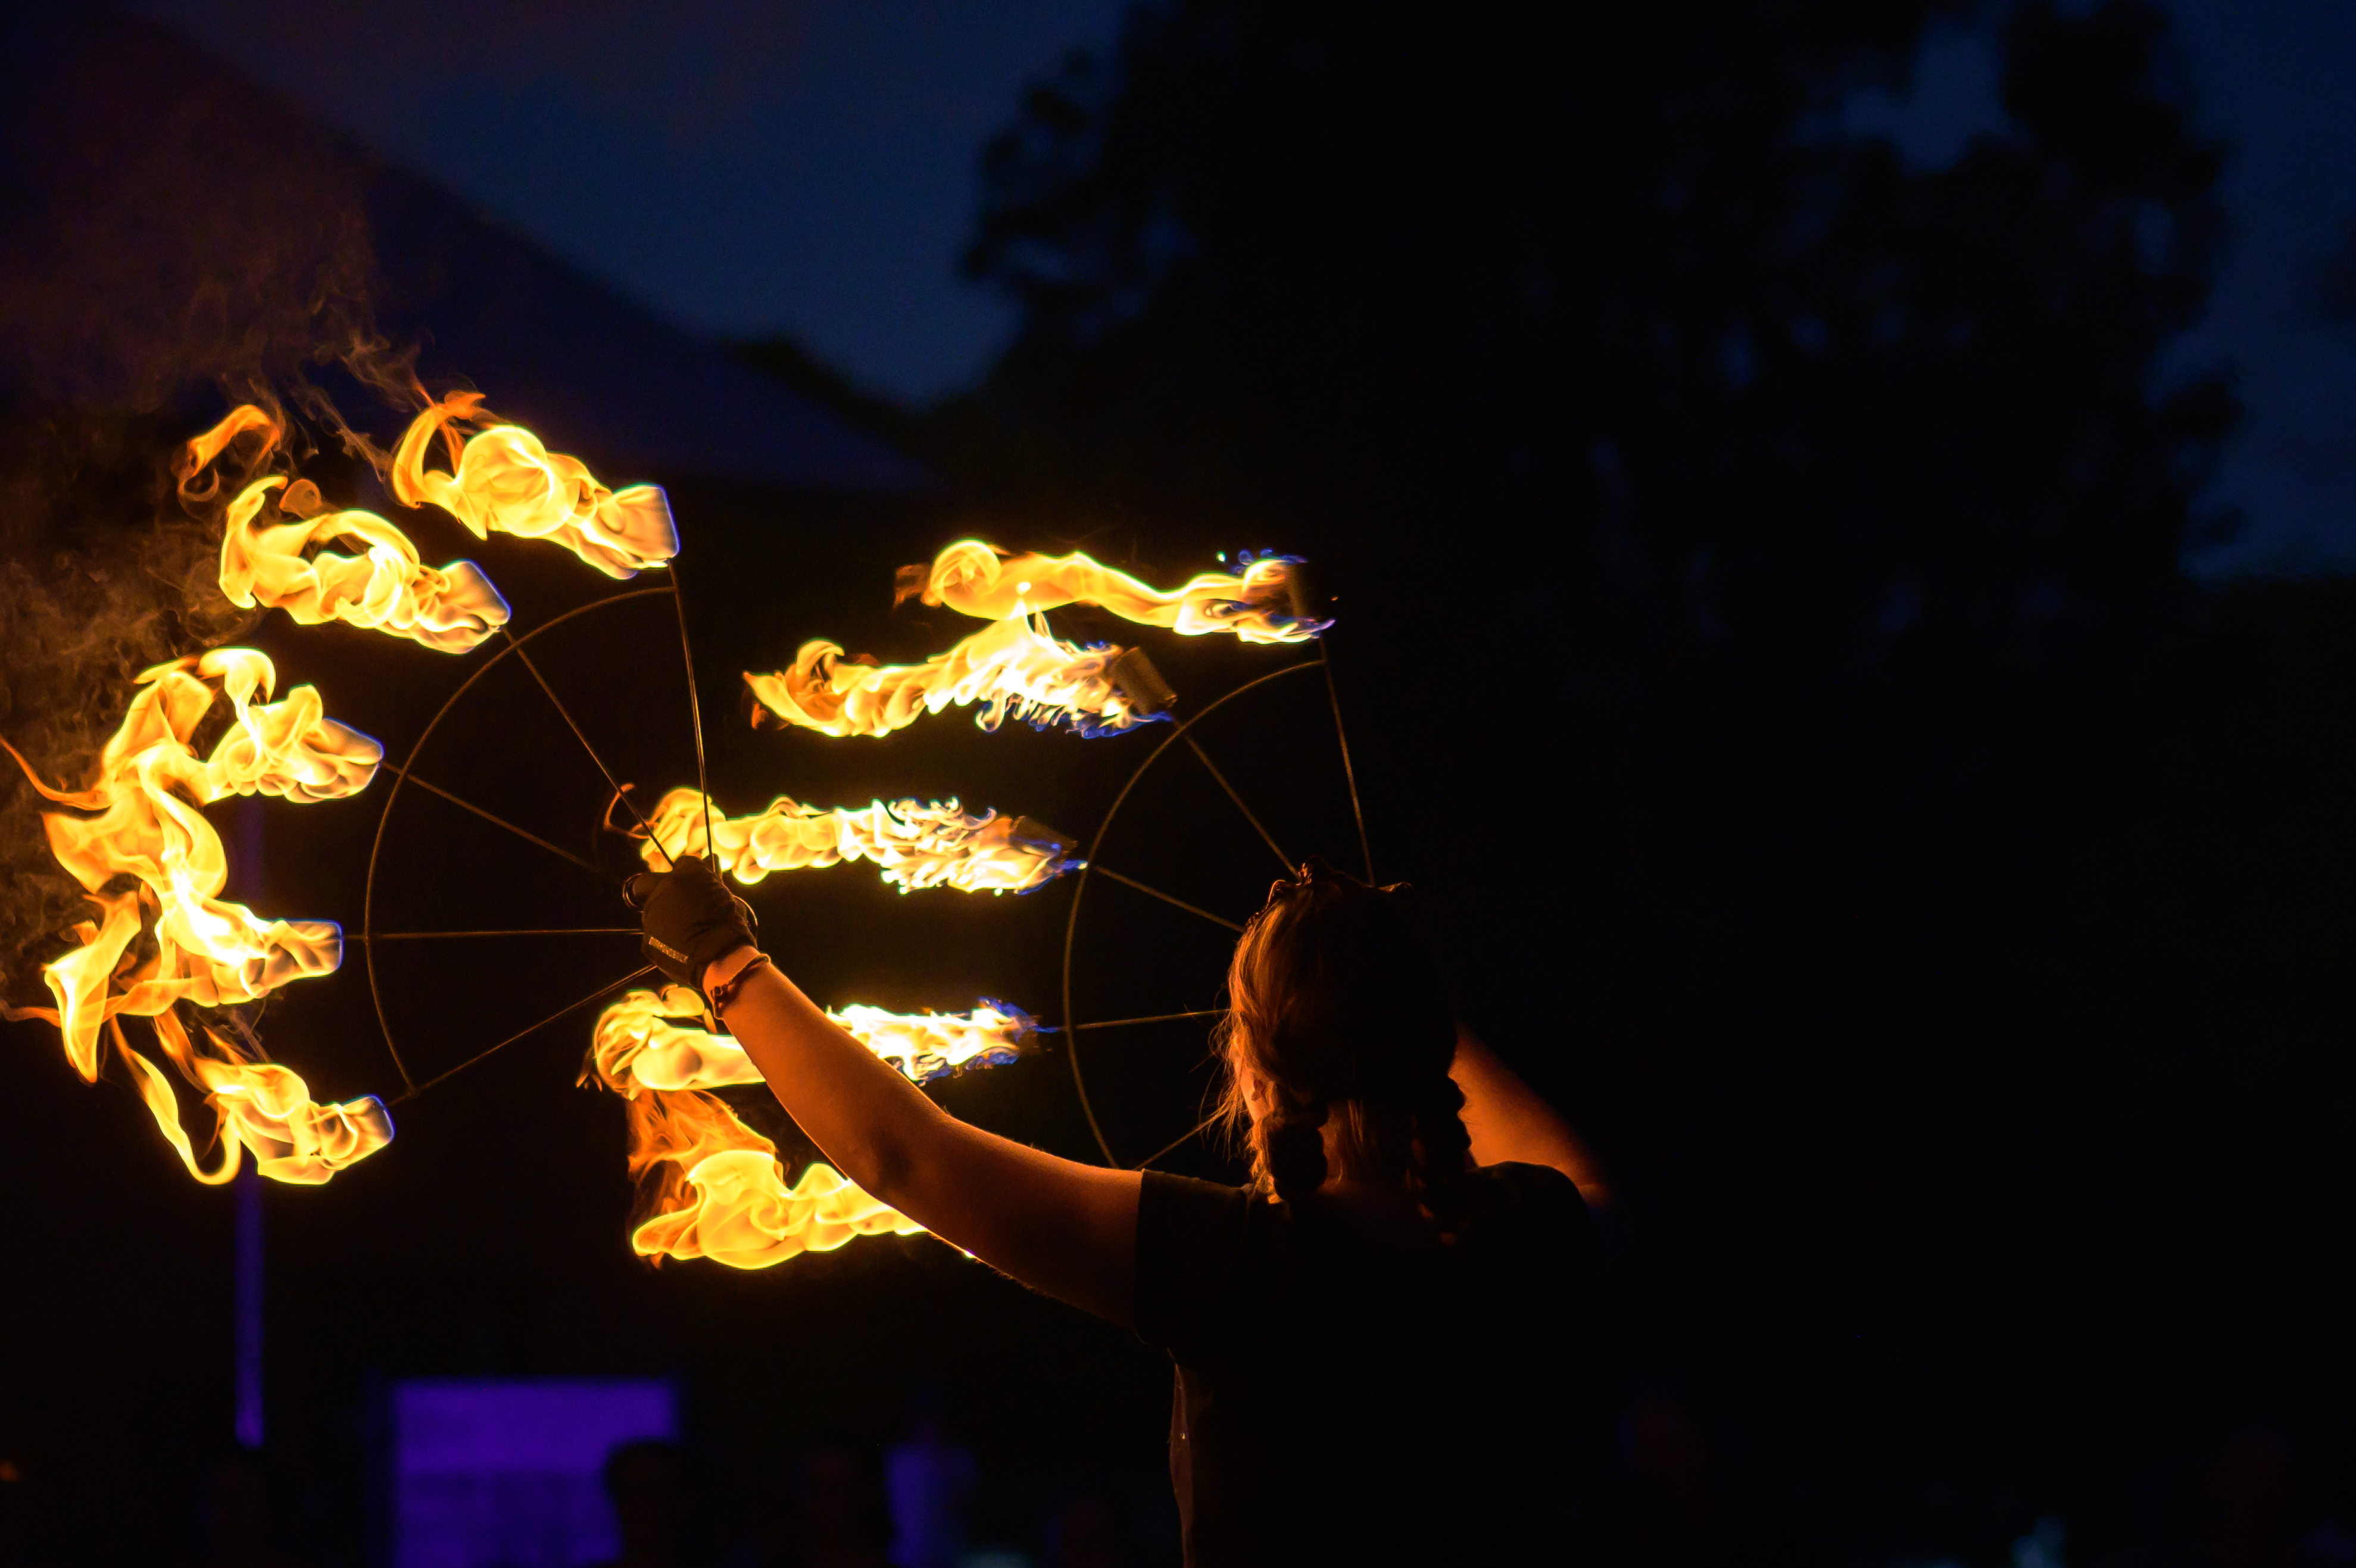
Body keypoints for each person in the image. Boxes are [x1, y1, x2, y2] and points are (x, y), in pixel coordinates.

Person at [628, 855, 1604, 1566]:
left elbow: (906, 1155)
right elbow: (1581, 1173)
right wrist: (1383, 980)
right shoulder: (1529, 1234)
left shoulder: (1243, 1264)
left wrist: (724, 960)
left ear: (1255, 1074)